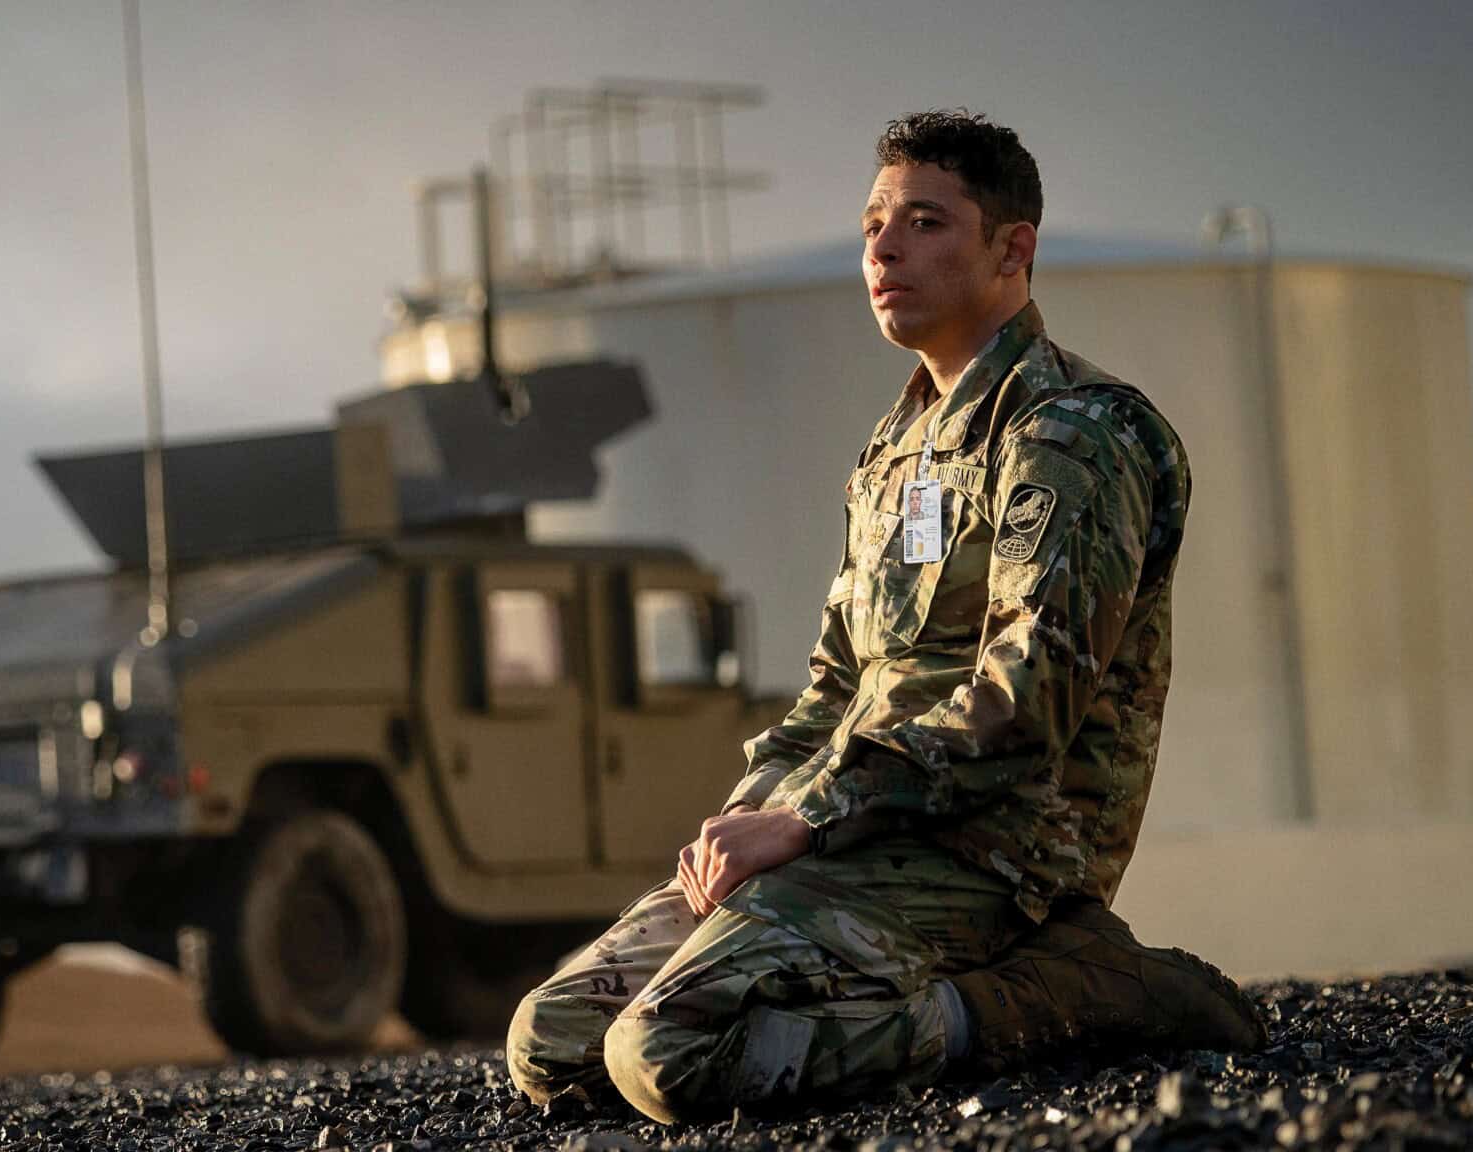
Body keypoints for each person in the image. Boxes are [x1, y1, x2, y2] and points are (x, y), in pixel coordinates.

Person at [505, 109, 1266, 1125]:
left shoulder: (1069, 433)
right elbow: (836, 683)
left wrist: (807, 818)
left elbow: (1026, 699)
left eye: (923, 222)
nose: (883, 245)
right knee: (552, 1045)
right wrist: (755, 813)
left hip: (998, 851)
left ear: (1011, 249)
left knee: (666, 1054)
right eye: (872, 223)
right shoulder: (897, 447)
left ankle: (1061, 991)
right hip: (852, 830)